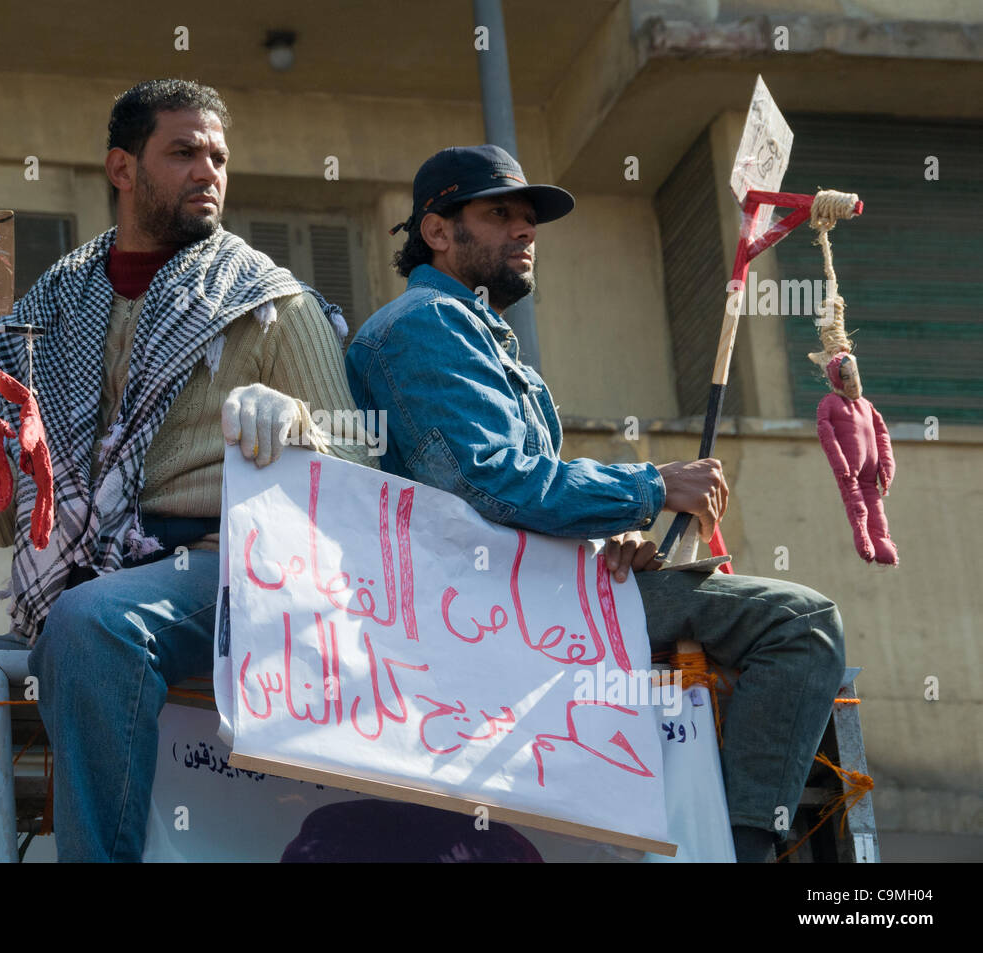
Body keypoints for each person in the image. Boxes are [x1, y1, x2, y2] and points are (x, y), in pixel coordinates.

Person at [0, 79, 373, 862]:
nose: (207, 172)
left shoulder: (272, 303)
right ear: (122, 167)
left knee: (91, 626)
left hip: (230, 575)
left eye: (218, 156)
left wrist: (301, 425)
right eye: (182, 152)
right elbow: (3, 518)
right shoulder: (49, 308)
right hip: (75, 592)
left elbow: (363, 465)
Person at [344, 144, 846, 863]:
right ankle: (740, 849)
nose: (524, 231)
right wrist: (648, 488)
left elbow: (511, 496)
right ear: (437, 231)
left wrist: (601, 547)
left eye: (529, 219)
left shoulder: (479, 334)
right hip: (490, 608)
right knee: (800, 624)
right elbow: (489, 483)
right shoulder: (425, 326)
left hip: (540, 591)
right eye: (499, 214)